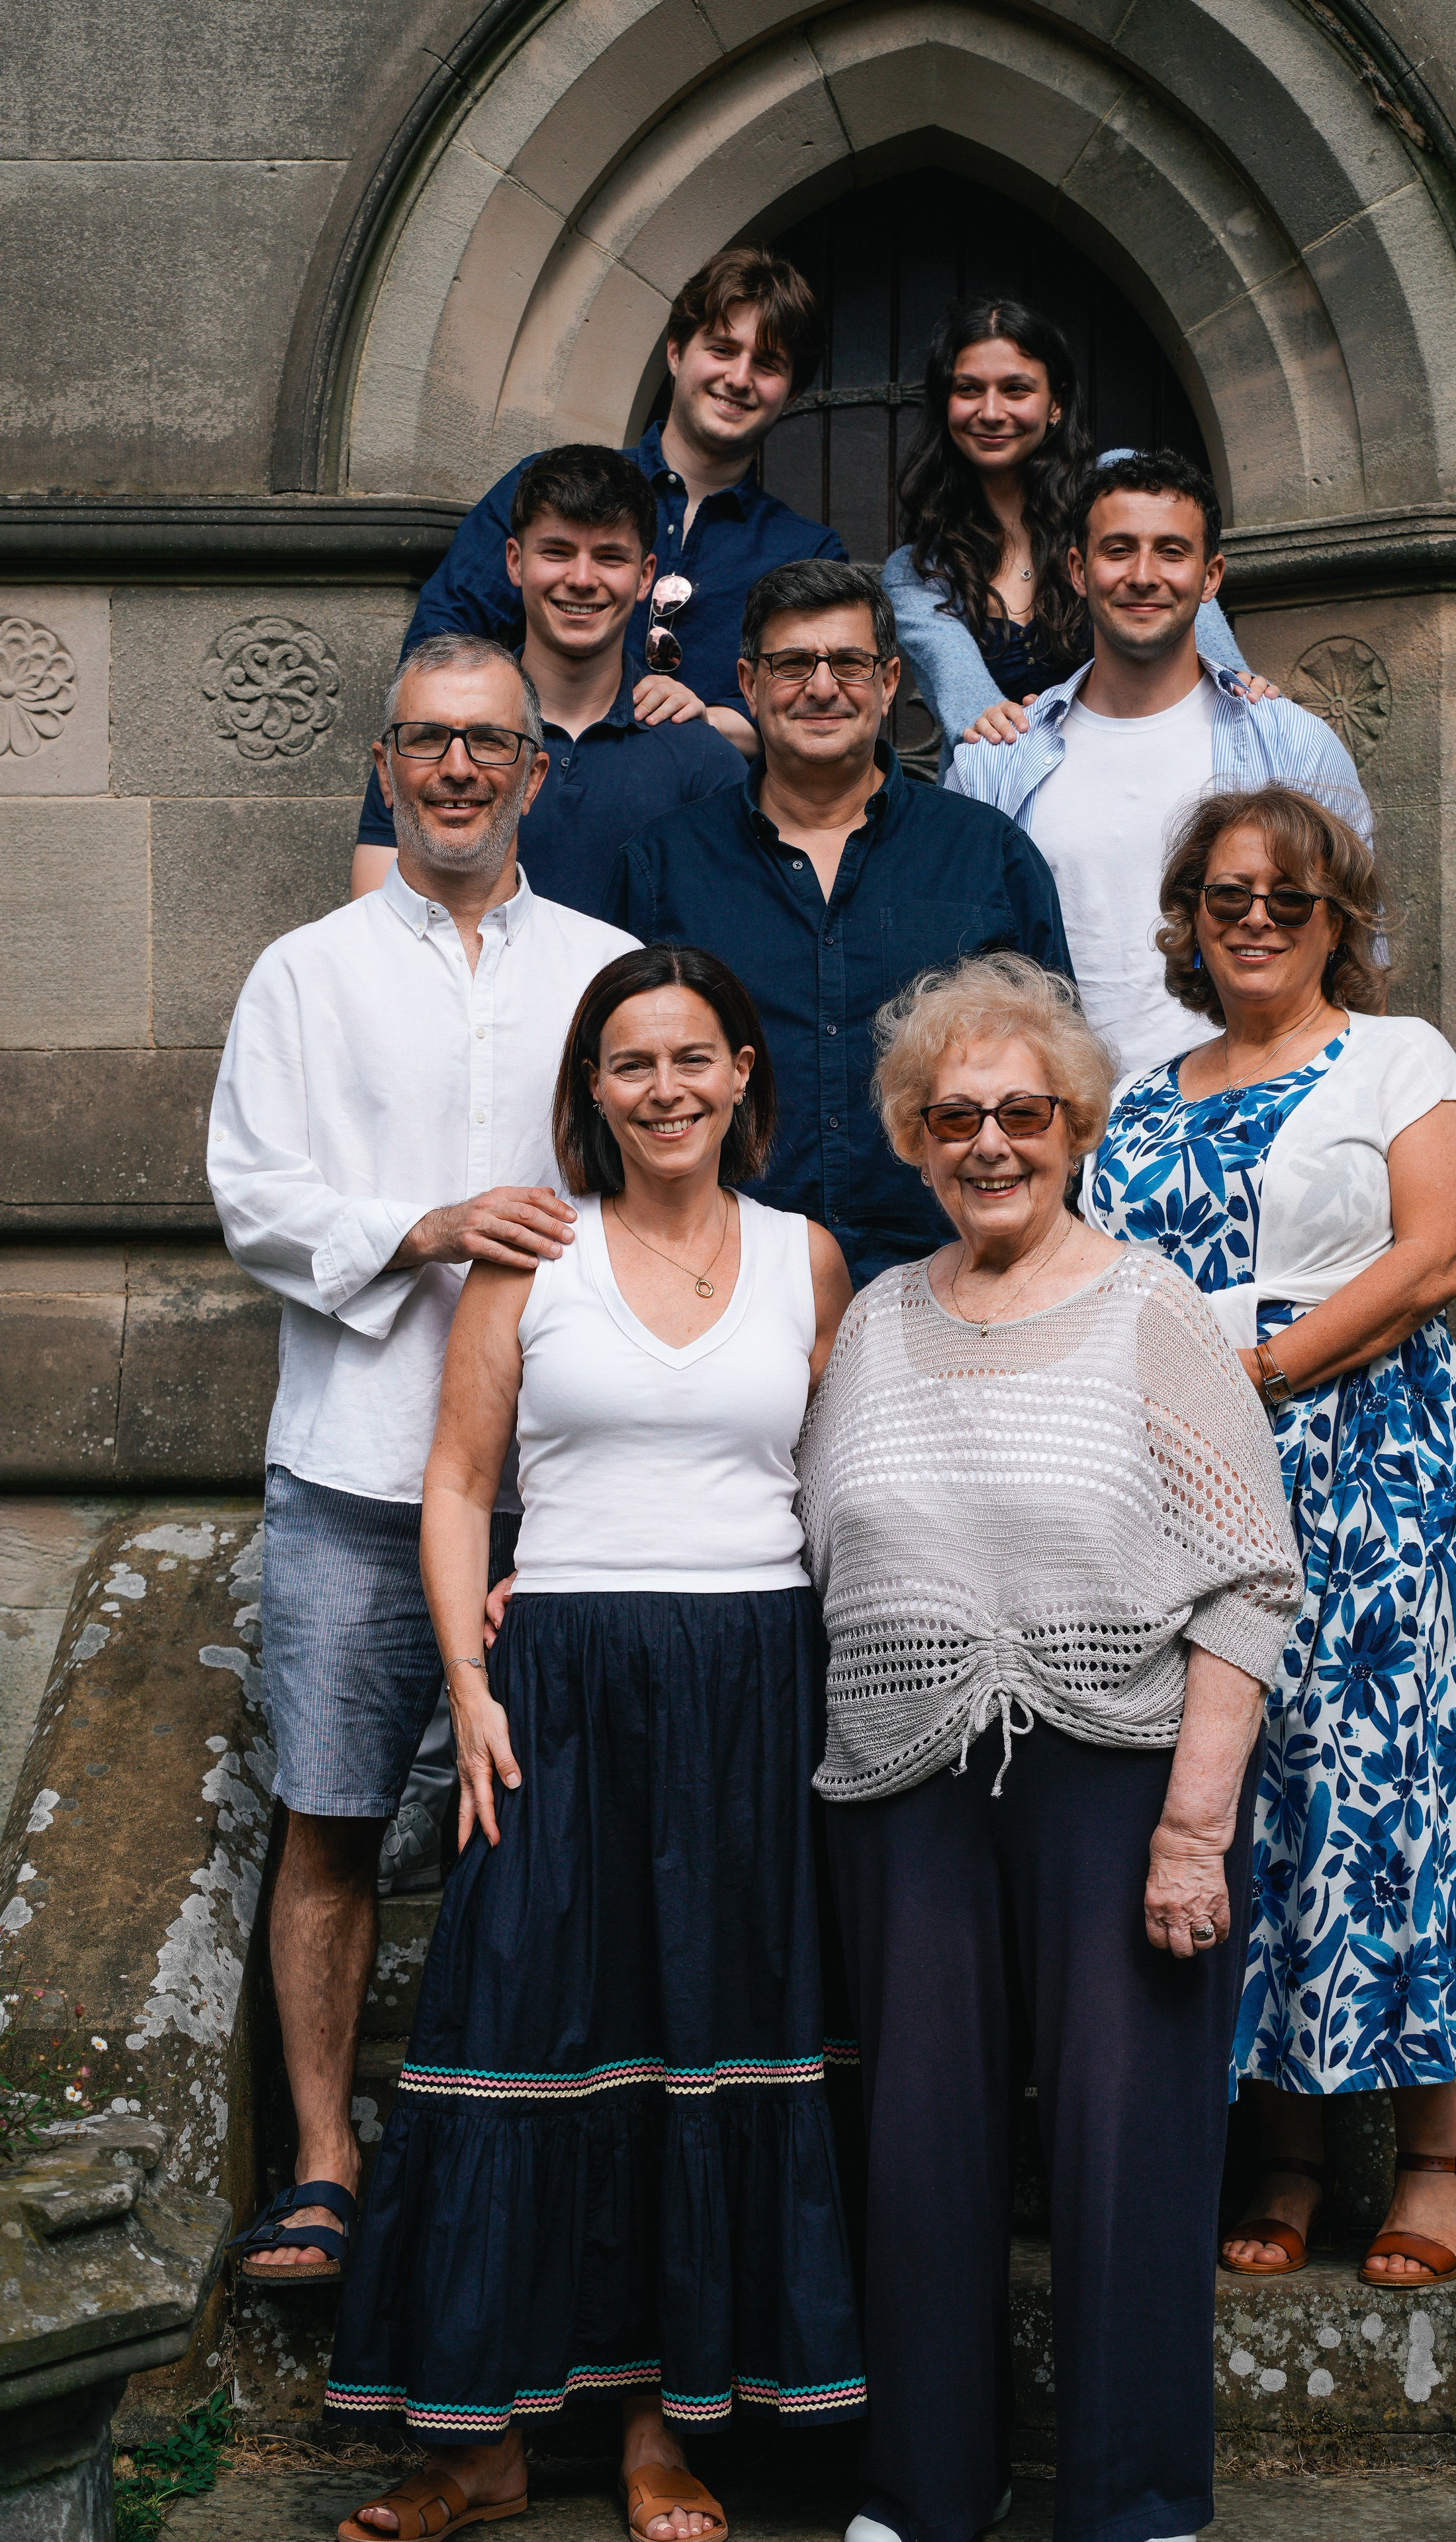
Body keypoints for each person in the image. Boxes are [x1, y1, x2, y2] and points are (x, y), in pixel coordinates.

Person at [326, 944, 865, 2542]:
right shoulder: (530, 1260)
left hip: (751, 1682)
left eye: (693, 1056)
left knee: (697, 2038)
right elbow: (454, 1482)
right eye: (631, 1062)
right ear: (592, 1090)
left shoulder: (807, 1259)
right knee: (517, 2024)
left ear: (743, 1071)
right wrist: (470, 1684)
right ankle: (479, 2445)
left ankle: (657, 2430)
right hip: (555, 1678)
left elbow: (837, 1490)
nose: (665, 1087)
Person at [796, 951, 1302, 2542]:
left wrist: (1191, 1830)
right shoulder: (875, 1321)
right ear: (913, 1138)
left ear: (1076, 1126)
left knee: (1125, 2151)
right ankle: (924, 2488)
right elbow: (804, 1542)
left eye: (1022, 1114)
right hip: (903, 1785)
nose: (989, 1144)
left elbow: (1248, 1578)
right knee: (917, 2148)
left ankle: (1133, 2498)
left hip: (1118, 1780)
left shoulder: (1147, 1309)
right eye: (954, 1117)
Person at [210, 634, 637, 2284]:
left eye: (488, 744)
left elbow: (652, 1182)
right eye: (427, 741)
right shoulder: (303, 973)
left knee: (548, 1836)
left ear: (535, 770)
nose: (458, 768)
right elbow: (253, 1192)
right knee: (328, 1813)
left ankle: (525, 2163)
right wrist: (427, 1226)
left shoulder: (605, 968)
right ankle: (326, 2162)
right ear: (385, 765)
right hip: (353, 1466)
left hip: (564, 1482)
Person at [1082, 784, 1456, 2290]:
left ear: (1338, 919)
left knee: (1378, 1784)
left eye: (1288, 897)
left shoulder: (1398, 1058)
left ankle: (1436, 2141)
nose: (1254, 918)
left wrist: (1257, 1369)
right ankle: (1288, 2145)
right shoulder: (1139, 1090)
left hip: (1366, 1463)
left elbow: (1432, 1255)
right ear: (1188, 920)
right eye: (1225, 896)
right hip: (1187, 1474)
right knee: (1240, 1787)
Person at [602, 559, 1072, 1290]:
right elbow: (616, 1082)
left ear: (888, 683)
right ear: (748, 682)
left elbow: (1058, 1084)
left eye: (849, 664)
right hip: (724, 1286)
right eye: (792, 664)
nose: (822, 688)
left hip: (955, 1278)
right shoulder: (663, 868)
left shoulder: (988, 856)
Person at [354, 241, 841, 849]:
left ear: (791, 392)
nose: (739, 378)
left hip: (703, 836)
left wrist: (718, 719)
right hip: (522, 816)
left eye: (767, 365)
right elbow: (440, 646)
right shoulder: (553, 488)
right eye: (721, 349)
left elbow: (824, 711)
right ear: (676, 352)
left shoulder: (807, 552)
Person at [945, 448, 1369, 1088]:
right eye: (1119, 550)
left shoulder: (1293, 748)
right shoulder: (995, 762)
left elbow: (1358, 958)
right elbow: (957, 970)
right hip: (1052, 1117)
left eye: (1172, 552)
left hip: (1251, 1111)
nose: (1144, 576)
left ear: (1211, 575)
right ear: (1078, 570)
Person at [351, 446, 745, 910]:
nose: (582, 579)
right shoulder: (429, 744)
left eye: (610, 557)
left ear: (645, 576)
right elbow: (376, 928)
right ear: (515, 561)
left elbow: (725, 933)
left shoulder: (704, 761)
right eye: (557, 552)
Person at [881, 299, 1260, 777]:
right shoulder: (917, 571)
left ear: (1056, 403)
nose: (991, 412)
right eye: (969, 389)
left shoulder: (1116, 489)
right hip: (1006, 785)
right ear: (945, 403)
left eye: (1016, 389)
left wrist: (1245, 691)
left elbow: (1215, 660)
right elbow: (977, 719)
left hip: (1160, 762)